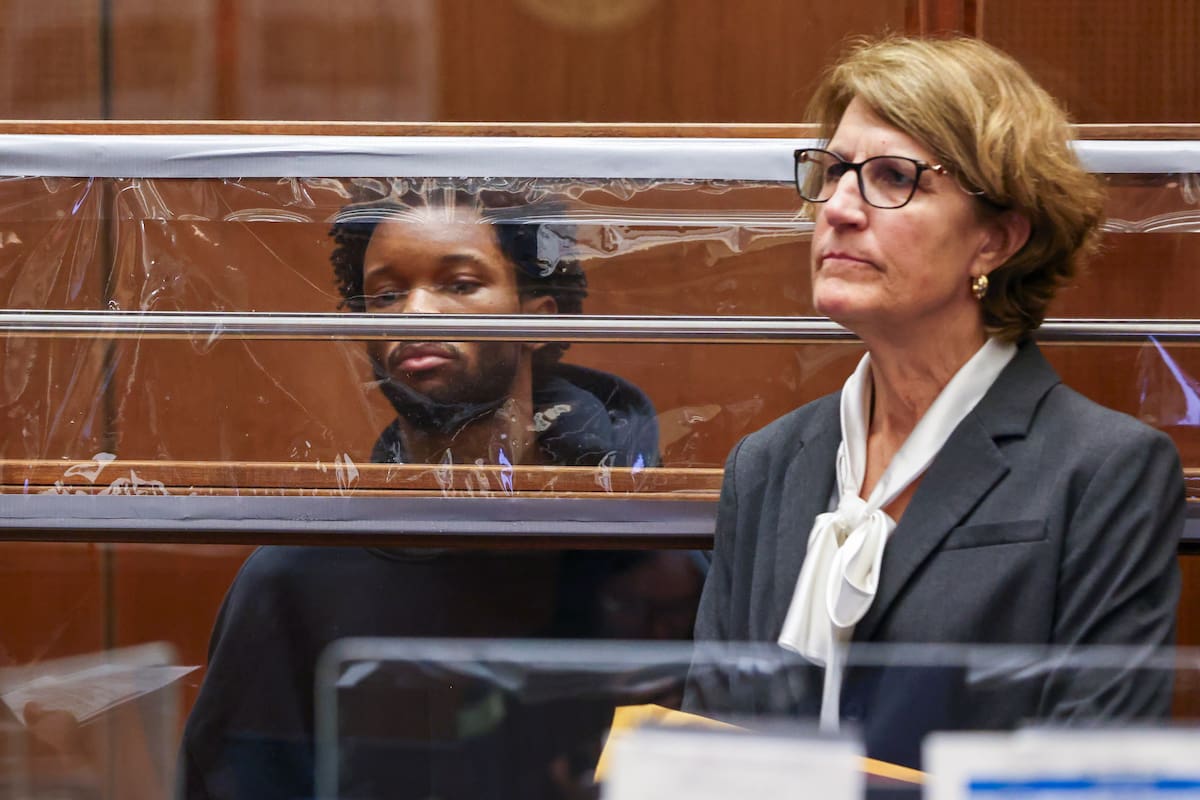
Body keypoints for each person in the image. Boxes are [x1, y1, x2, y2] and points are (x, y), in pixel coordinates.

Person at [692, 35, 1184, 767]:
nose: (840, 209)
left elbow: (1093, 762)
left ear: (997, 240)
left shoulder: (1104, 470)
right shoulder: (766, 465)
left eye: (893, 178)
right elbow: (710, 744)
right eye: (831, 172)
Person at [180, 187, 701, 800]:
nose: (416, 314)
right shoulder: (297, 576)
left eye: (459, 284)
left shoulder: (662, 553)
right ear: (360, 330)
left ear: (539, 318)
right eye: (387, 294)